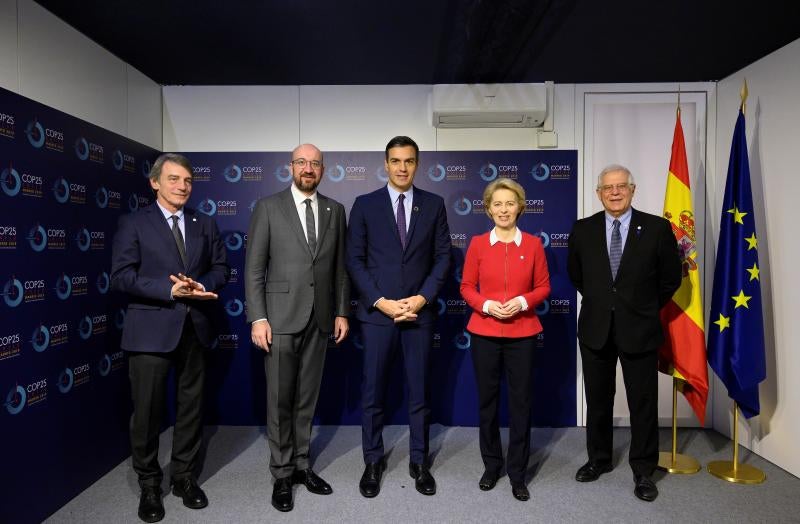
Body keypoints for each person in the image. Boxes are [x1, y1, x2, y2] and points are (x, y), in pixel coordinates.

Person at [111, 153, 229, 523]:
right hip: (150, 331)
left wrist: (200, 286)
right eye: (174, 179)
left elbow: (221, 268)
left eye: (188, 181)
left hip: (196, 328)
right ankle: (149, 484)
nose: (182, 186)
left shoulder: (203, 222)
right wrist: (169, 291)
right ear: (155, 183)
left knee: (192, 408)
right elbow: (122, 276)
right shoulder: (134, 223)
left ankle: (184, 477)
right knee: (146, 413)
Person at [245, 143, 350, 512]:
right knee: (279, 399)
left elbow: (339, 269)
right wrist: (258, 317)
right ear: (290, 166)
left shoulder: (335, 210)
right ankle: (282, 472)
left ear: (323, 170)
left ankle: (302, 465)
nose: (308, 168)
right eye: (302, 162)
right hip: (279, 319)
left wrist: (341, 312)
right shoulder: (268, 207)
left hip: (320, 319)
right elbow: (254, 268)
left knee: (307, 398)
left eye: (315, 164)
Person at [567, 164, 681, 502]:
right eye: (608, 187)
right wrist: (606, 301)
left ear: (632, 189)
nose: (614, 192)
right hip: (596, 328)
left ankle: (644, 469)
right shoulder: (582, 229)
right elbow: (578, 276)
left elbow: (670, 279)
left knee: (642, 403)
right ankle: (598, 460)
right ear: (598, 193)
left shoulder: (658, 229)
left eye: (621, 186)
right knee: (598, 400)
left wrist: (642, 306)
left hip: (640, 329)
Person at [346, 136, 451, 498]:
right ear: (386, 164)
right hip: (378, 316)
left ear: (417, 164)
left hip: (418, 315)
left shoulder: (434, 205)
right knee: (373, 393)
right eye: (395, 161)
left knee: (420, 392)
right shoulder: (364, 205)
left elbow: (442, 259)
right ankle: (373, 460)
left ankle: (419, 461)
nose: (402, 167)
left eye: (408, 161)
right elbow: (354, 261)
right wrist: (380, 301)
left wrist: (421, 299)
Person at [459, 178, 550, 502]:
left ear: (520, 207)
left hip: (522, 334)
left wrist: (523, 302)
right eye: (497, 203)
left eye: (509, 203)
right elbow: (466, 286)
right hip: (484, 332)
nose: (503, 209)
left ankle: (518, 473)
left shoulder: (534, 245)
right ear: (488, 208)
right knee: (487, 402)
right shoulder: (478, 244)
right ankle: (491, 466)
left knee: (521, 404)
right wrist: (485, 304)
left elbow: (543, 287)